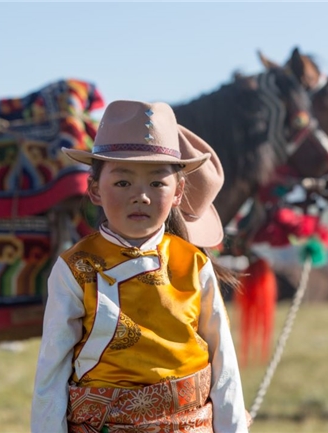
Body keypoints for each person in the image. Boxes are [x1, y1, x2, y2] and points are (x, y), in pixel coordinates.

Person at [31, 100, 250, 432]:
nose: (141, 196)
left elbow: (224, 364)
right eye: (122, 183)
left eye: (157, 183)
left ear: (178, 192)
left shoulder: (193, 264)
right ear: (94, 190)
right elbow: (52, 369)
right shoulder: (75, 268)